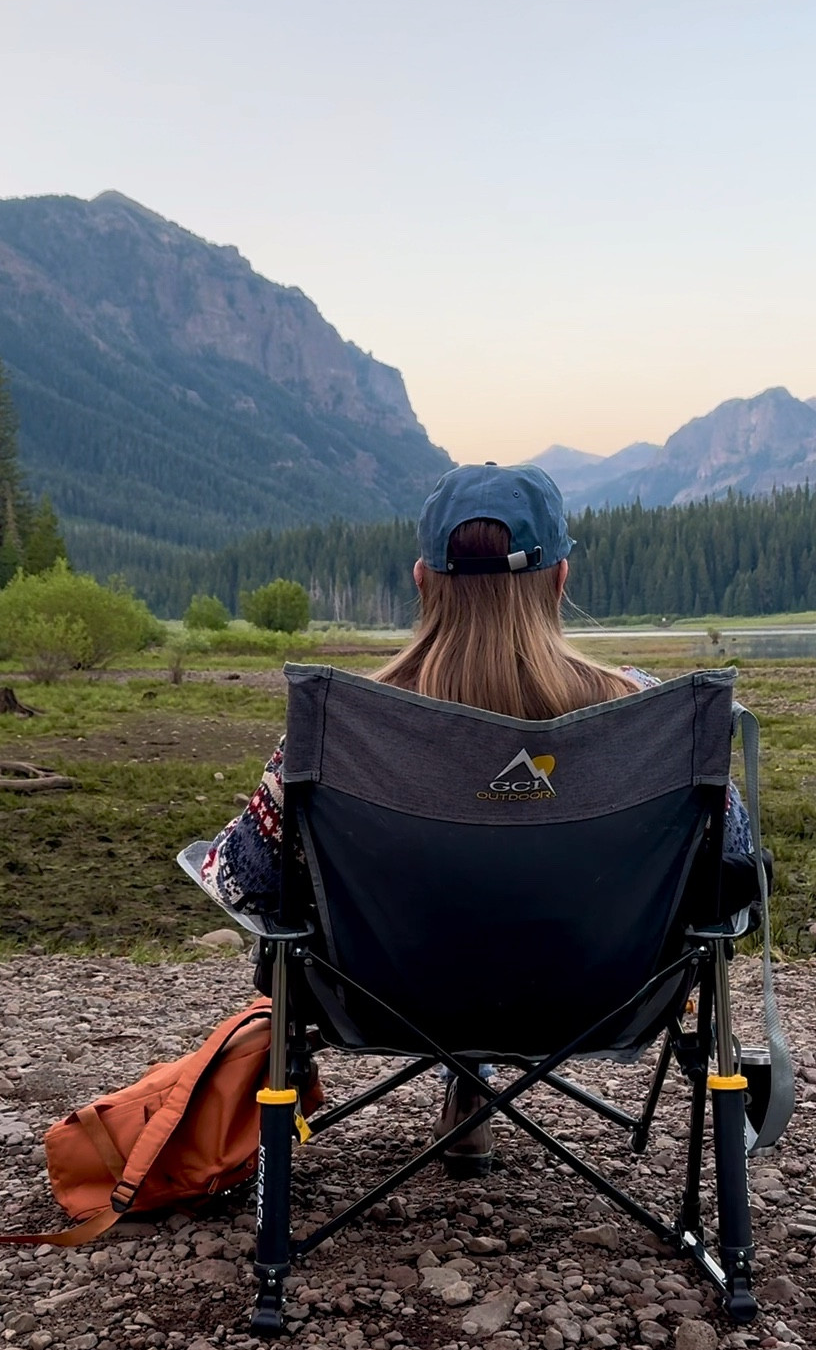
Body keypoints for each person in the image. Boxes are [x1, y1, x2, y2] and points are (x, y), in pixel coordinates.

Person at [201, 462, 754, 1175]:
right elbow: (733, 868)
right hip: (606, 998)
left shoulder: (344, 727)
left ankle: (465, 1079)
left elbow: (245, 884)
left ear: (422, 581)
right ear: (559, 581)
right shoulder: (652, 719)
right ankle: (472, 1085)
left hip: (388, 999)